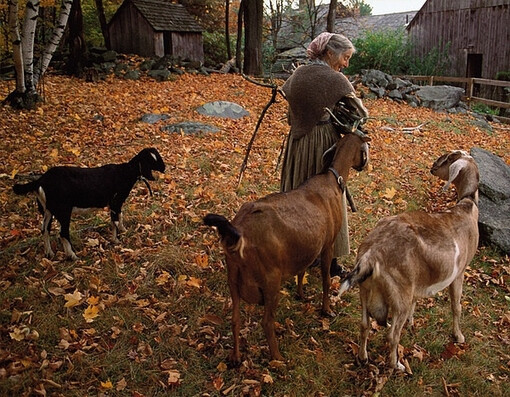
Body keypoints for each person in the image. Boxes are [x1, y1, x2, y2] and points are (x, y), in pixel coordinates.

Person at [280, 32, 368, 277]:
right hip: (322, 144)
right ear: (330, 53)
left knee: (295, 194)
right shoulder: (335, 80)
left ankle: (296, 253)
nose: (346, 65)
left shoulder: (297, 75)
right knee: (328, 200)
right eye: (345, 58)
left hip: (297, 144)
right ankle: (330, 262)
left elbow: (290, 113)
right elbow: (361, 115)